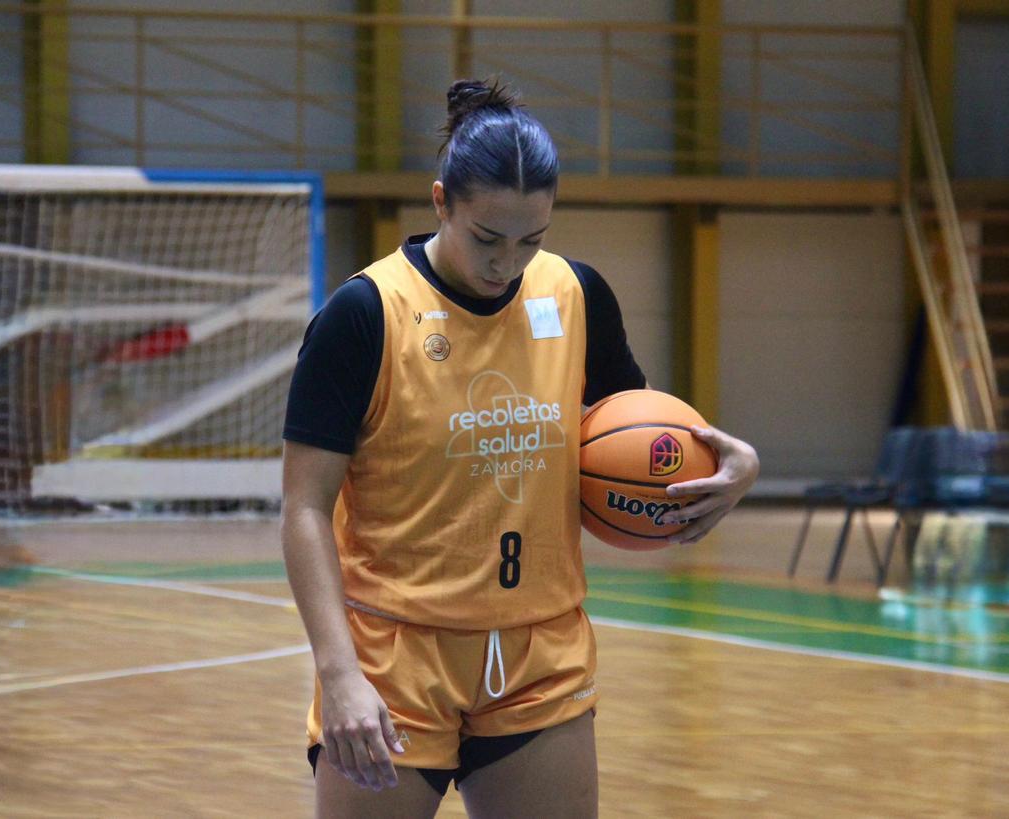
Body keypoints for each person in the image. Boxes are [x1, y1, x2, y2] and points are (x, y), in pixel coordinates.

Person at [281, 78, 759, 819]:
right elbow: (304, 507)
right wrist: (337, 669)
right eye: (487, 238)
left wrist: (725, 472)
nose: (508, 263)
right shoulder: (364, 316)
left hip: (540, 647)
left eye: (531, 239)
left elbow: (630, 439)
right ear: (441, 201)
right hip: (394, 655)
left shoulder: (574, 295)